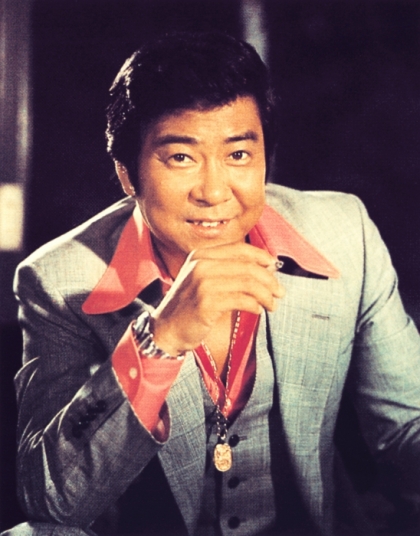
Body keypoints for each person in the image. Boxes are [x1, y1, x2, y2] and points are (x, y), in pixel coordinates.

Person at [4, 31, 420, 536]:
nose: (214, 191)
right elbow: (51, 500)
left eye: (238, 155)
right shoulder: (57, 279)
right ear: (127, 175)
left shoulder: (343, 233)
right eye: (181, 157)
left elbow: (406, 424)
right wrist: (160, 341)